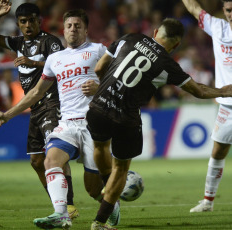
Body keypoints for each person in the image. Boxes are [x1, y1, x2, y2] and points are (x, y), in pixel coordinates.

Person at [85, 18, 232, 230]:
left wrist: (105, 88)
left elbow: (100, 68)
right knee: (122, 168)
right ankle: (99, 222)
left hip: (98, 106)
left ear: (155, 32)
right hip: (126, 117)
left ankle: (106, 183)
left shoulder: (130, 38)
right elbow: (199, 91)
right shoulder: (167, 64)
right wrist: (224, 91)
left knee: (100, 146)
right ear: (176, 45)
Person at [0, 9, 121, 230]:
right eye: (69, 26)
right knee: (50, 160)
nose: (72, 29)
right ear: (63, 29)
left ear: (86, 30)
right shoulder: (55, 59)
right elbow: (37, 92)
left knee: (92, 188)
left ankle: (111, 205)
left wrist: (99, 88)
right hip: (67, 124)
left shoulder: (98, 50)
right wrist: (8, 114)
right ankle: (61, 214)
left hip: (93, 125)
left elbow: (120, 79)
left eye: (77, 26)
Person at [0, 0, 79, 218]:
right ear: (18, 23)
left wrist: (33, 63)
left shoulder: (50, 41)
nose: (28, 25)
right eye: (23, 21)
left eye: (32, 21)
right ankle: (59, 203)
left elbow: (61, 64)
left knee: (55, 155)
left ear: (39, 21)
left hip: (52, 103)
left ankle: (68, 207)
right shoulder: (18, 43)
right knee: (36, 161)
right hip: (34, 107)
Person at [182, 0, 232, 213]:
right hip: (227, 106)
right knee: (218, 151)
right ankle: (208, 202)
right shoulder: (217, 26)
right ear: (223, 10)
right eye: (229, 10)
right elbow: (193, 8)